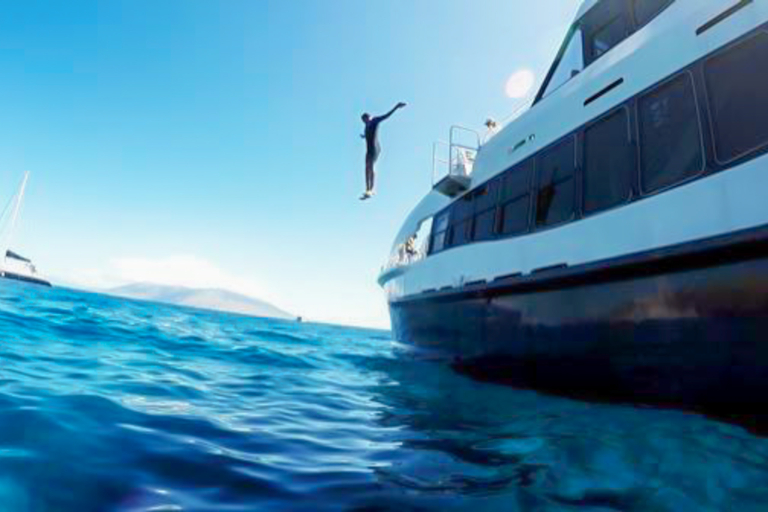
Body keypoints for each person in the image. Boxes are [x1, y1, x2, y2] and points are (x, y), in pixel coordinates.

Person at [360, 102, 407, 200]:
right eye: (364, 122)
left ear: (369, 117)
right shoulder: (366, 126)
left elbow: (386, 115)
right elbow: (367, 134)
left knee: (371, 165)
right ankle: (367, 189)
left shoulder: (375, 120)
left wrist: (396, 107)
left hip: (375, 148)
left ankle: (372, 189)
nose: (366, 123)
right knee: (366, 167)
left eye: (366, 121)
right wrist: (364, 136)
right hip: (368, 150)